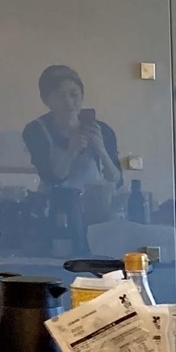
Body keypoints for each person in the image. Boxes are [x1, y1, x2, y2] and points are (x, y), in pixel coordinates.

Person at [23, 65, 123, 243]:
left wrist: (100, 149)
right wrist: (71, 151)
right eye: (60, 96)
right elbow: (52, 178)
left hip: (95, 210)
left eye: (74, 94)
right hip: (56, 210)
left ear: (82, 96)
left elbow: (116, 179)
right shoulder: (36, 131)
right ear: (46, 100)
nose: (69, 103)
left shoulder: (102, 130)